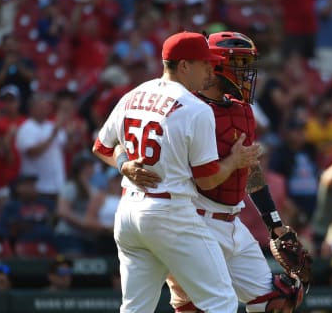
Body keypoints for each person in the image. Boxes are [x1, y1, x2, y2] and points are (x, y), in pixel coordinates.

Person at [118, 31, 306, 313]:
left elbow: (251, 168)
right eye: (240, 63)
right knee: (200, 307)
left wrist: (274, 222)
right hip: (192, 219)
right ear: (215, 64)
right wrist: (124, 164)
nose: (247, 73)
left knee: (278, 301)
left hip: (233, 221)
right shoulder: (186, 109)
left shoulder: (243, 111)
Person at [92, 31, 260, 313]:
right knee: (221, 301)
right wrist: (233, 161)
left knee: (135, 308)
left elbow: (102, 146)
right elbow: (207, 178)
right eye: (204, 63)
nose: (210, 69)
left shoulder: (134, 94)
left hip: (129, 213)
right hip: (170, 213)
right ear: (184, 65)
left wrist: (124, 165)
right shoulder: (195, 108)